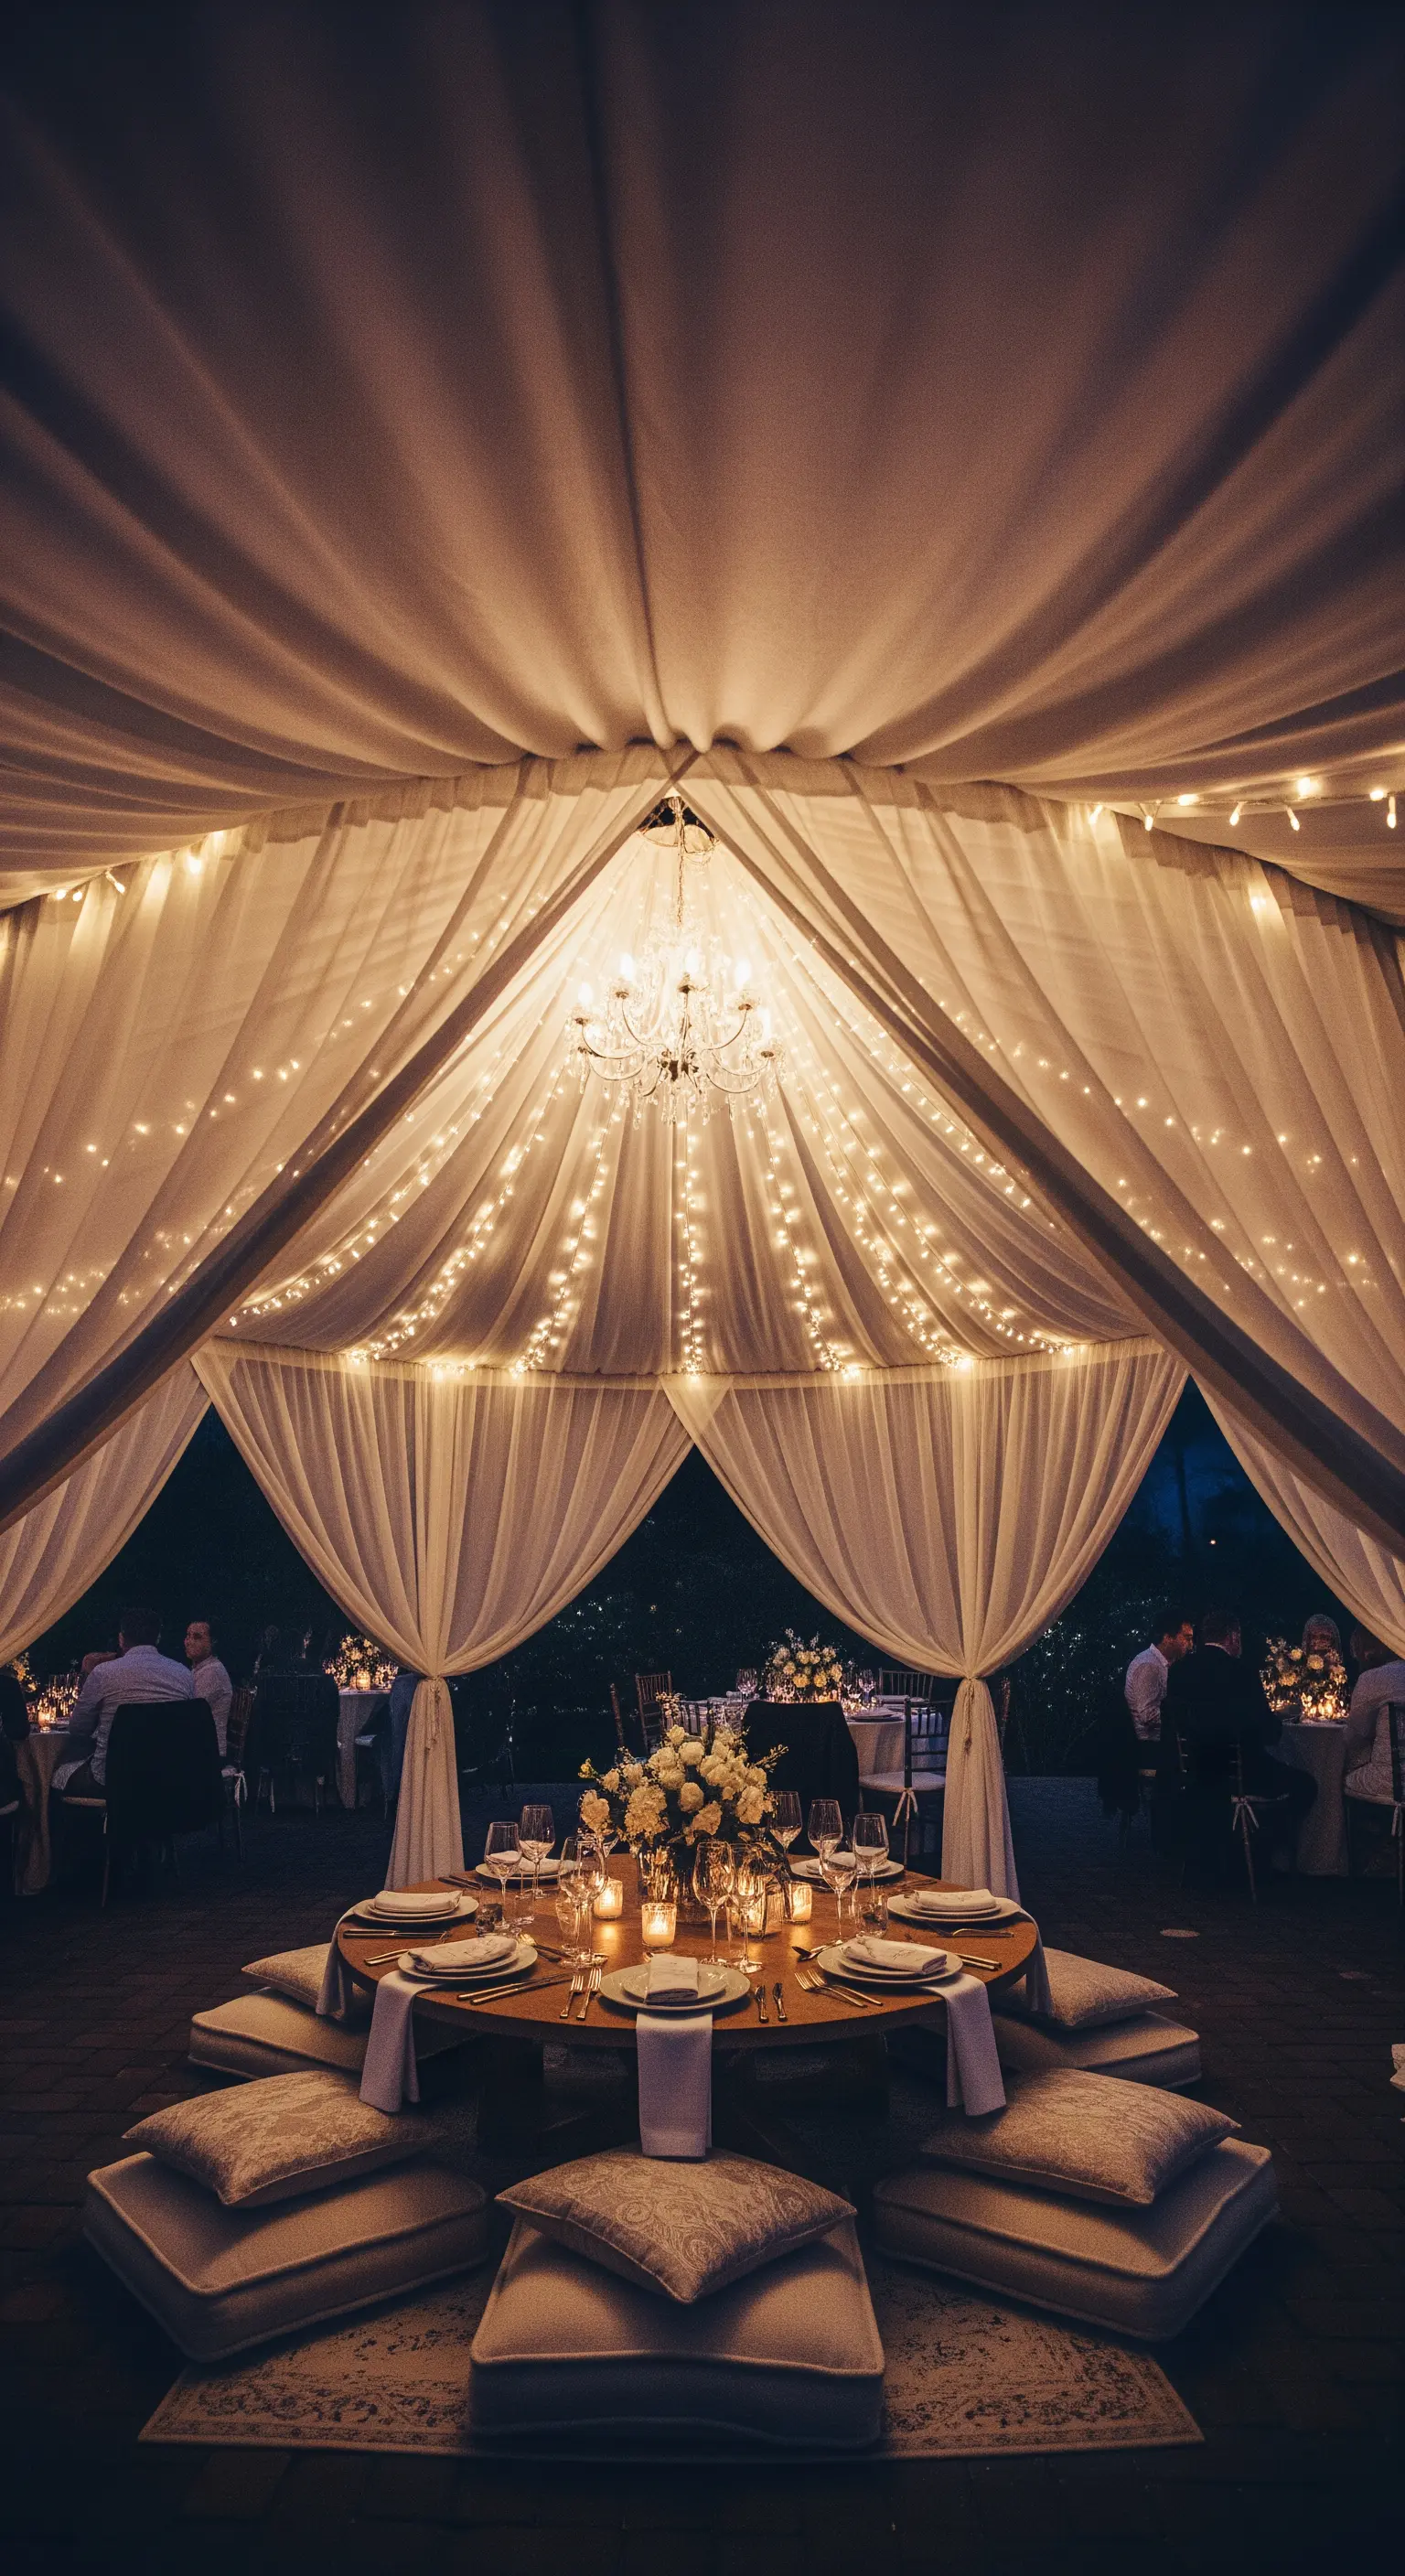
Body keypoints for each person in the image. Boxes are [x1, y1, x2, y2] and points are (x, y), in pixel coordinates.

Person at [1164, 1607, 1316, 1863]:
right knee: (1306, 1785)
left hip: (1195, 1773)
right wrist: (1281, 1719)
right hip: (1241, 1774)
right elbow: (1269, 1734)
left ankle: (1237, 1842)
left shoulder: (1179, 1671)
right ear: (1233, 1636)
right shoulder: (1241, 1672)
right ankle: (1265, 1845)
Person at [54, 1608, 193, 1795]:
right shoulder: (184, 1674)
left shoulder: (103, 1673)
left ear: (121, 1638)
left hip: (112, 1779)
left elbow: (78, 1728)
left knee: (56, 1773)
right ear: (158, 1637)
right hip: (167, 1777)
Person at [1343, 1626, 1405, 1800]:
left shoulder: (1372, 1678)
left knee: (1337, 1776)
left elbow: (1354, 1736)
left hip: (1391, 1783)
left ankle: (1335, 1818)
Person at [1124, 1608, 1195, 1744]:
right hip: (1150, 1748)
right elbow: (1147, 1716)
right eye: (1187, 1639)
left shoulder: (1160, 1664)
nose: (1191, 1646)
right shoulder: (1148, 1665)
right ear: (1168, 1638)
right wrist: (1185, 1715)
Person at [185, 1616, 233, 1757]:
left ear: (213, 1642)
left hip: (209, 1751)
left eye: (197, 1637)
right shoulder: (200, 1668)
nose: (189, 1642)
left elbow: (189, 1712)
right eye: (188, 1636)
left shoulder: (213, 1671)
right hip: (199, 1744)